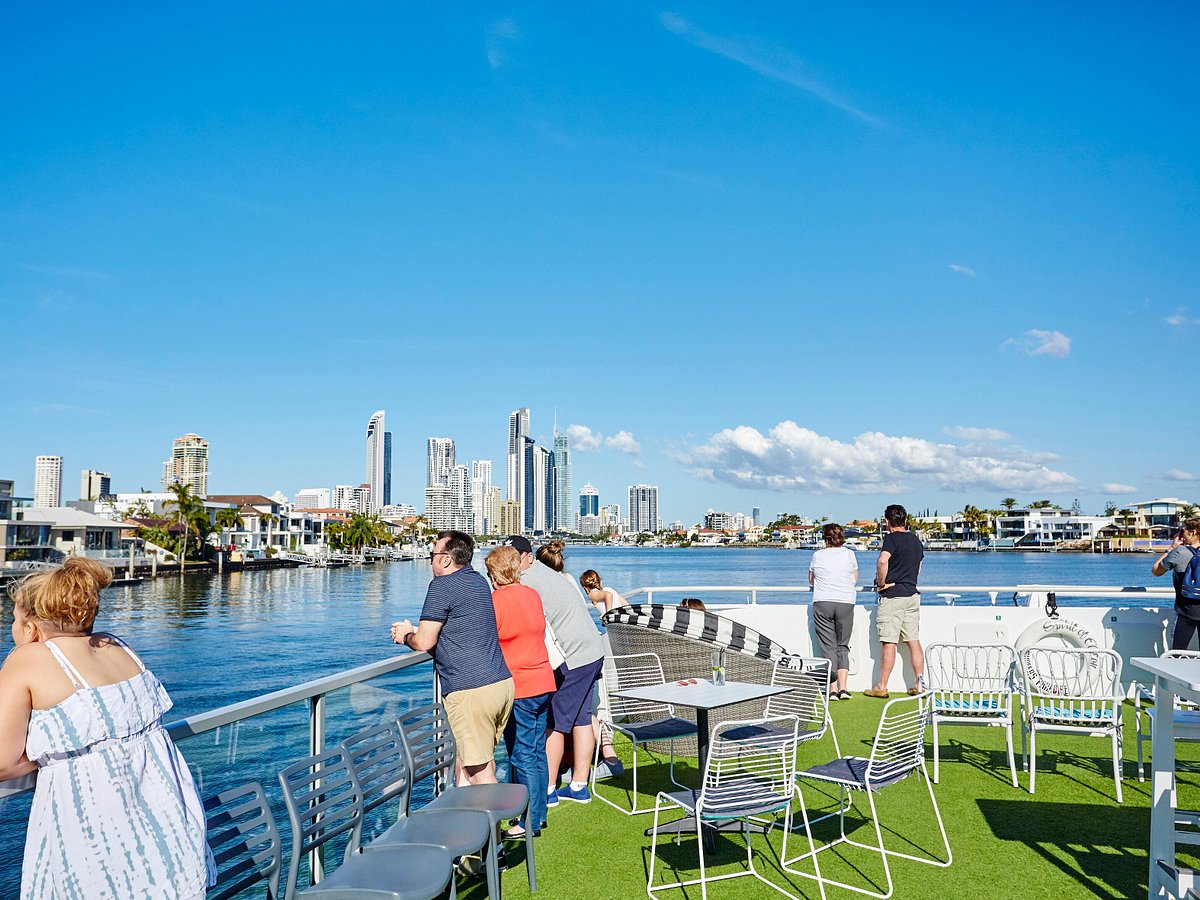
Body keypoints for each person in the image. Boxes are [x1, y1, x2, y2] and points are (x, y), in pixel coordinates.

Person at [0, 558, 212, 898]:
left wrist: (55, 756)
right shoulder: (117, 646)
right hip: (165, 822)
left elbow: (3, 761)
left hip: (97, 830)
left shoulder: (28, 658)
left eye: (13, 619)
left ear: (30, 627)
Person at [392, 531, 514, 786]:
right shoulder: (478, 581)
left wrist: (406, 636)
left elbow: (425, 642)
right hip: (500, 683)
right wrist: (420, 631)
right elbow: (460, 626)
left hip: (471, 691)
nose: (430, 560)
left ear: (446, 559)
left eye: (433, 555)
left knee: (481, 773)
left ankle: (496, 826)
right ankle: (471, 824)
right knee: (475, 762)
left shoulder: (442, 586)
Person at [507, 536, 606, 805]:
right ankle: (578, 786)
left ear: (528, 557)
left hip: (573, 657)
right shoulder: (550, 573)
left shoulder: (526, 580)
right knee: (582, 719)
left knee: (555, 725)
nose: (511, 561)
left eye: (515, 556)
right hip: (592, 651)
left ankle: (548, 790)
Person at [485, 546, 555, 838]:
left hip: (522, 686)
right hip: (543, 680)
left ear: (495, 573)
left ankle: (528, 821)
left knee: (521, 754)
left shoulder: (496, 601)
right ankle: (539, 814)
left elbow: (486, 638)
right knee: (537, 750)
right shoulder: (532, 595)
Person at [864, 504, 926, 699]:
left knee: (889, 642)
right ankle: (920, 684)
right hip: (912, 595)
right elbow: (918, 568)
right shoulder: (916, 541)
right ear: (905, 520)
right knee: (913, 641)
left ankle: (881, 686)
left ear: (887, 521)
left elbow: (883, 561)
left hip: (893, 596)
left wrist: (881, 583)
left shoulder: (891, 539)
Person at [809, 522, 858, 700]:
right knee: (842, 645)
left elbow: (811, 579)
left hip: (823, 602)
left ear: (825, 538)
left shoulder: (817, 555)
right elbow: (854, 578)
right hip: (845, 601)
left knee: (828, 647)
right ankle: (844, 688)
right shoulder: (850, 554)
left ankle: (832, 690)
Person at [1153, 517, 1200, 650]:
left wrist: (1171, 548)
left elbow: (1156, 571)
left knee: (1177, 653)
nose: (1179, 535)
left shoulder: (1179, 552)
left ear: (1193, 532)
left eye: (1182, 531)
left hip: (1185, 612)